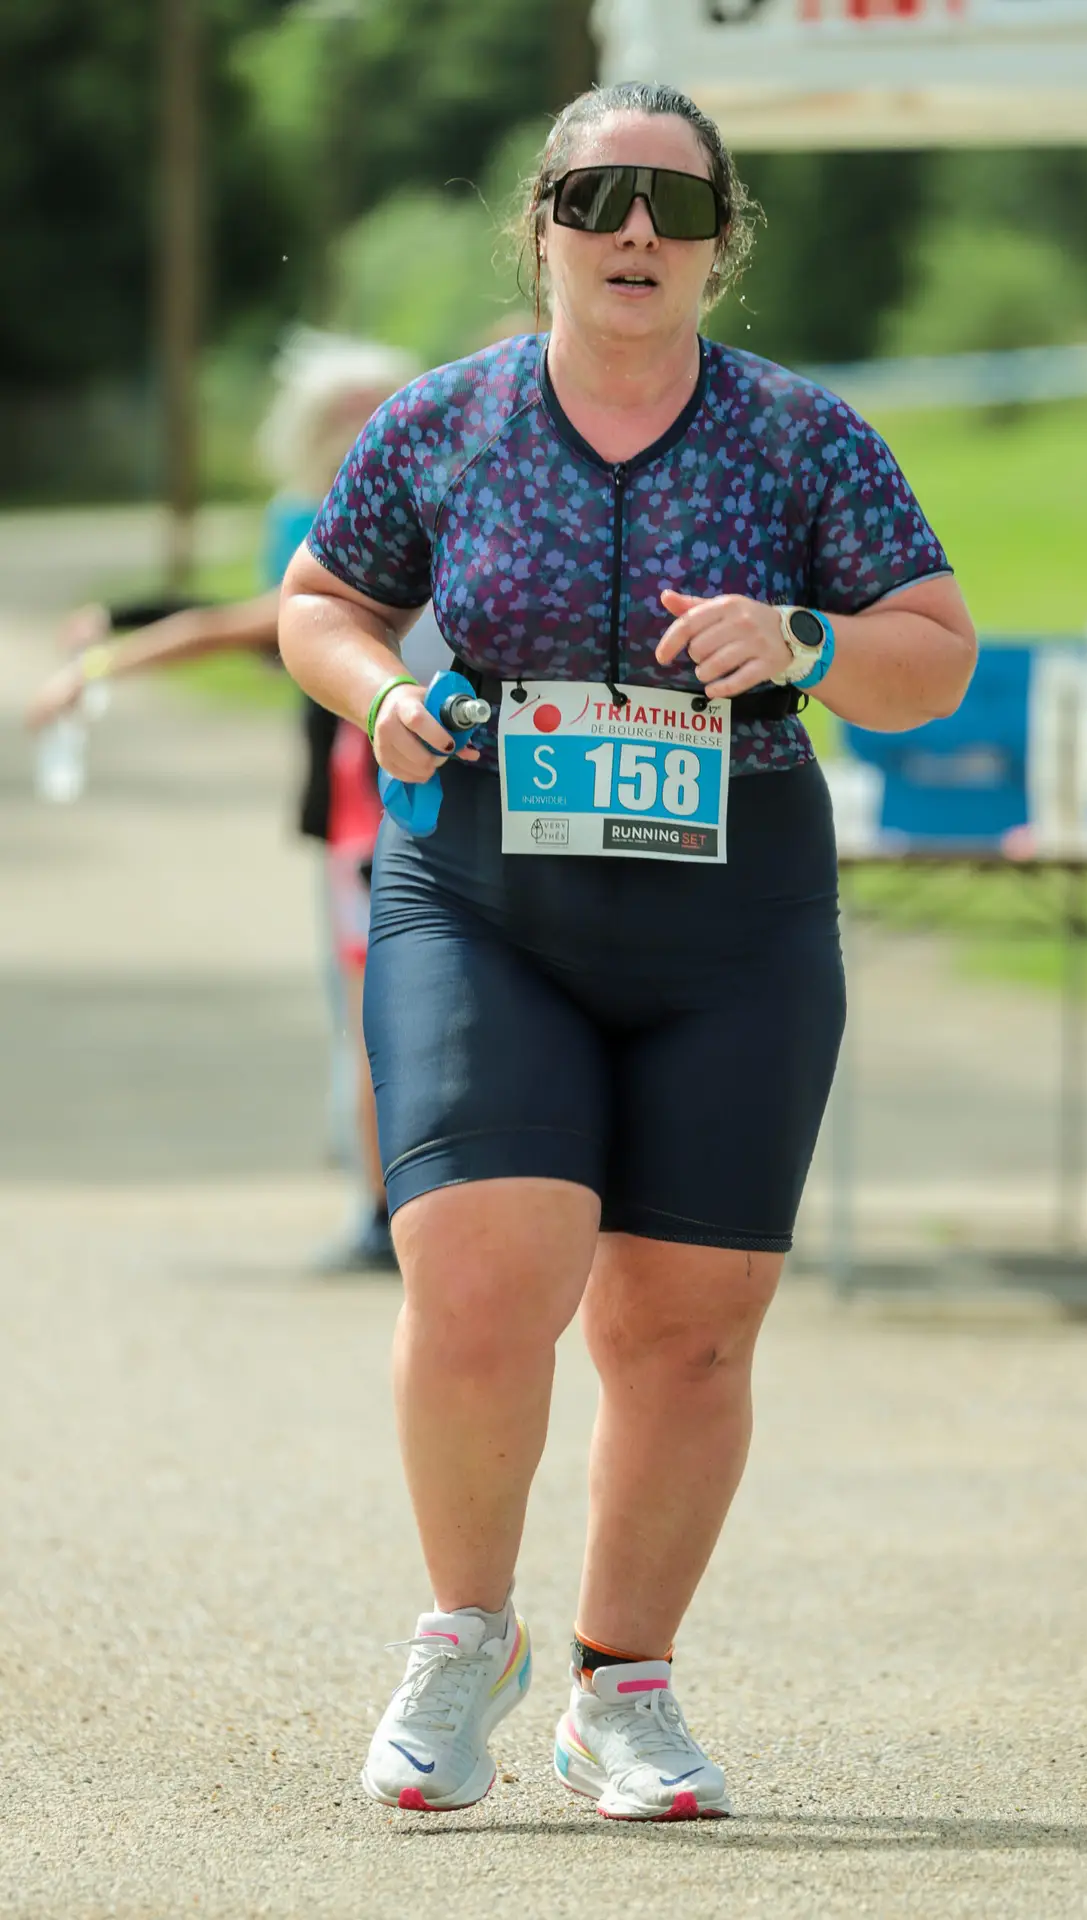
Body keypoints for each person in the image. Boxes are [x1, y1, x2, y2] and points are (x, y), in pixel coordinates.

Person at [278, 80, 976, 1823]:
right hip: (485, 893)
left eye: (672, 205)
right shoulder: (441, 423)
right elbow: (319, 601)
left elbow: (934, 651)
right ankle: (460, 1642)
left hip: (730, 917)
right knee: (480, 1271)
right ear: (542, 230)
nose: (634, 234)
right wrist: (384, 695)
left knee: (684, 1329)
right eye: (597, 202)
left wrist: (807, 634)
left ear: (723, 242)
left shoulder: (806, 440)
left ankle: (623, 1689)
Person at [25, 330, 428, 1272]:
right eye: (349, 411)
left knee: (382, 1021)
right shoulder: (321, 525)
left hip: (401, 807)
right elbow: (245, 616)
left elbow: (231, 623)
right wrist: (115, 636)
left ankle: (393, 1213)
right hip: (359, 809)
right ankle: (386, 1208)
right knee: (371, 1020)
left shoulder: (424, 522)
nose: (367, 424)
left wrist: (104, 658)